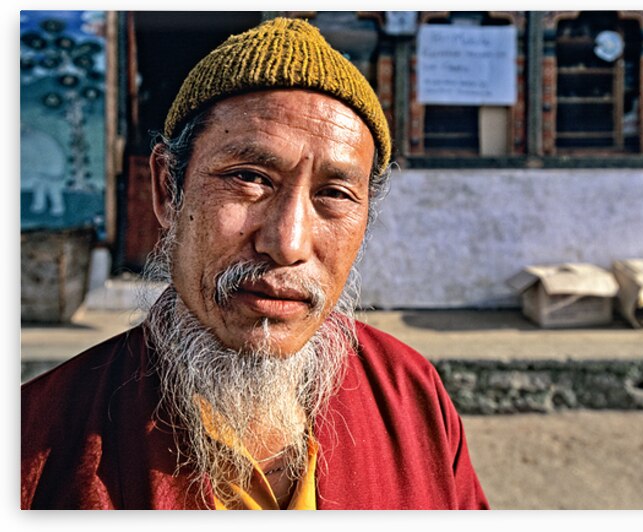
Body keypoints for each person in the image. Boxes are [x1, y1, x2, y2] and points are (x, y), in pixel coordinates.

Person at [21, 17, 488, 510]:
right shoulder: (36, 441)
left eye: (334, 194)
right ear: (167, 190)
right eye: (249, 177)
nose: (287, 243)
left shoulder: (412, 395)